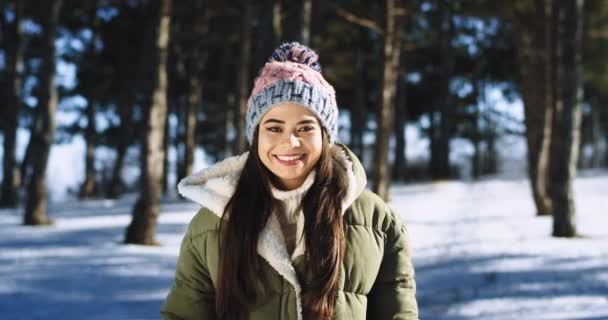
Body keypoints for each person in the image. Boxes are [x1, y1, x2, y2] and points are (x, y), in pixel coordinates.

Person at [161, 42, 418, 320]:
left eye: (305, 128)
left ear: (326, 136)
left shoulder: (378, 222)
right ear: (256, 135)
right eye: (274, 127)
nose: (290, 142)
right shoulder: (211, 222)